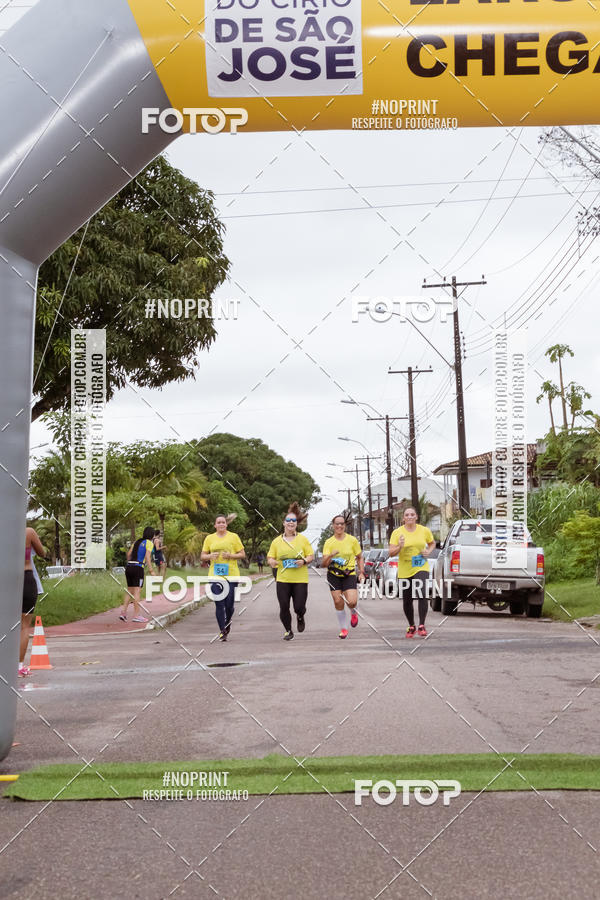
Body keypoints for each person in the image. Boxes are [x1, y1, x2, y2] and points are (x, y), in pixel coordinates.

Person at [267, 503, 314, 641]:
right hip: (283, 579)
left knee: (299, 606)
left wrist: (304, 561)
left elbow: (310, 556)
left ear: (296, 523)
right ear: (284, 523)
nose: (291, 523)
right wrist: (272, 562)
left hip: (300, 579)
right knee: (284, 606)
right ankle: (288, 630)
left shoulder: (303, 539)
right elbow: (270, 557)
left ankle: (300, 616)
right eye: (288, 520)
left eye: (293, 520)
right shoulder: (276, 541)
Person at [389, 507, 435, 638]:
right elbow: (391, 552)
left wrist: (429, 551)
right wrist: (400, 546)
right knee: (407, 600)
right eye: (407, 515)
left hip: (420, 564)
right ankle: (411, 625)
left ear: (416, 517)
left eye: (412, 514)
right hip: (405, 566)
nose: (409, 517)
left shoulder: (424, 530)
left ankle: (421, 625)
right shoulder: (397, 532)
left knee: (422, 593)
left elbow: (432, 543)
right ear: (403, 518)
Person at [201, 514, 245, 641]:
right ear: (215, 525)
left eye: (223, 522)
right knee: (219, 603)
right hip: (215, 575)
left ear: (226, 524)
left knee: (229, 605)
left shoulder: (233, 537)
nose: (221, 524)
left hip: (231, 575)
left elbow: (242, 554)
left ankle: (228, 620)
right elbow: (202, 555)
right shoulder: (209, 538)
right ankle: (222, 630)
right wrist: (209, 556)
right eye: (218, 522)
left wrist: (231, 556)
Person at [321, 514, 365, 639]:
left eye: (342, 524)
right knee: (338, 601)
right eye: (337, 524)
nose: (339, 526)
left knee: (352, 601)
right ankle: (344, 629)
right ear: (333, 526)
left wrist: (361, 572)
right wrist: (330, 555)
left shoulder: (352, 540)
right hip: (333, 575)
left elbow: (360, 557)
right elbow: (323, 564)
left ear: (344, 526)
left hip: (349, 574)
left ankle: (353, 612)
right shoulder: (329, 542)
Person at [20, 526, 47, 677]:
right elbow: (42, 553)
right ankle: (18, 666)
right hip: (26, 579)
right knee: (24, 626)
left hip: (5, 580)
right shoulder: (28, 532)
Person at [120, 526, 157, 623]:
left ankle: (123, 612)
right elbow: (147, 557)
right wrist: (151, 570)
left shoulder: (136, 542)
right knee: (137, 591)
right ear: (152, 535)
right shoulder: (149, 543)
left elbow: (128, 555)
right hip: (138, 568)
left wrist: (131, 562)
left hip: (129, 567)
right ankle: (136, 615)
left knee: (129, 590)